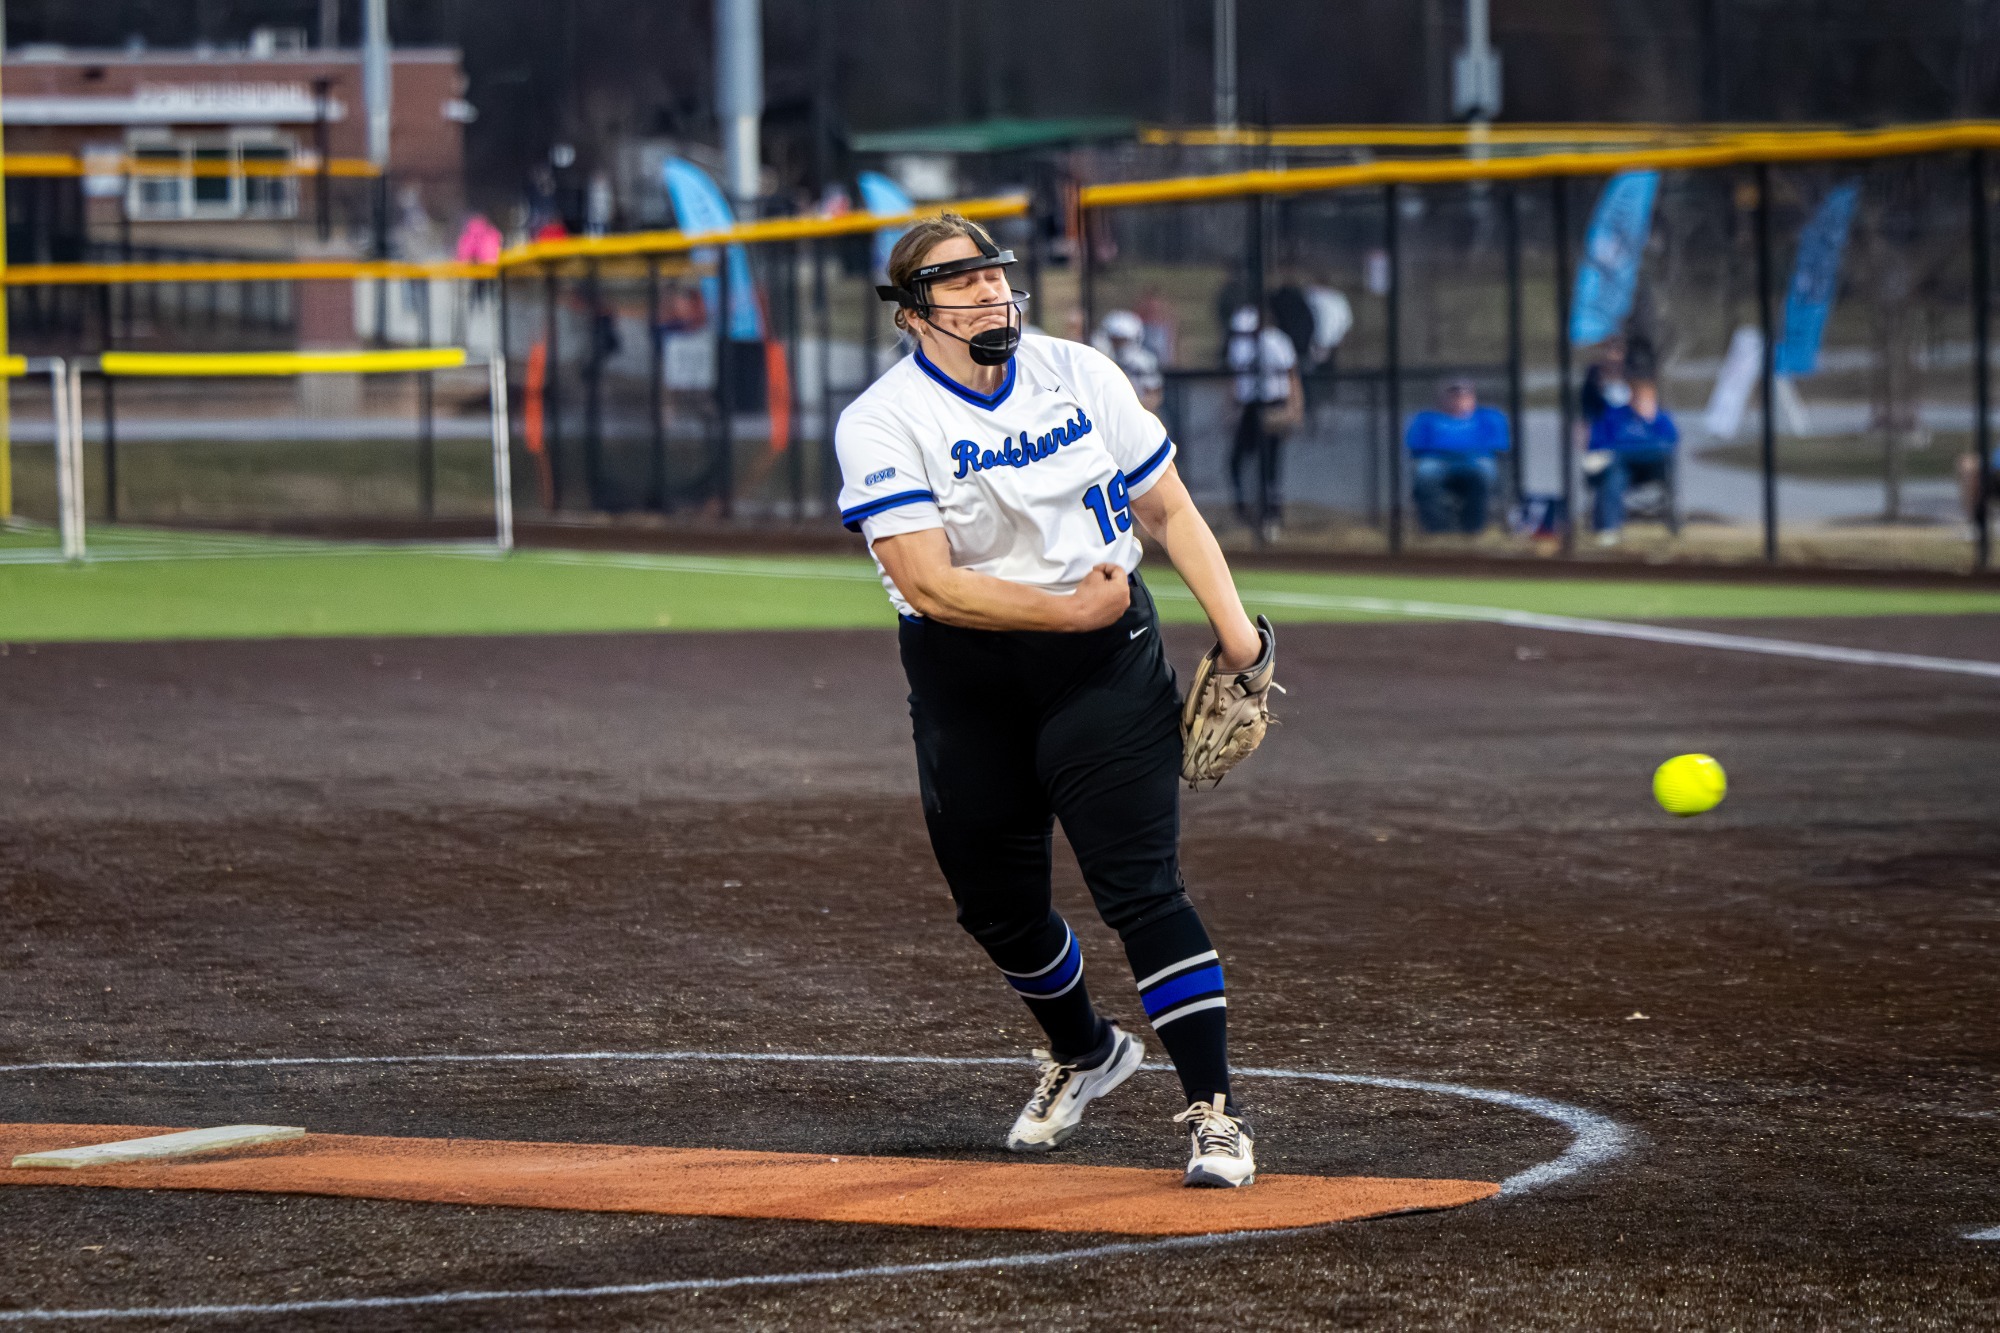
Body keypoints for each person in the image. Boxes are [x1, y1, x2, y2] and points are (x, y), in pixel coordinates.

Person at [836, 212, 1270, 1188]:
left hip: (1103, 660)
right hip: (968, 675)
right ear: (912, 313)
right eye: (959, 282)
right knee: (994, 908)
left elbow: (1165, 507)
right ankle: (1085, 1050)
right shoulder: (882, 420)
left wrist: (1239, 638)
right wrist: (1060, 610)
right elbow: (932, 580)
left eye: (993, 275)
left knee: (1139, 886)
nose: (989, 292)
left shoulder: (1076, 372)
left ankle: (1214, 1112)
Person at [1227, 304, 1302, 543]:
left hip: (1274, 403)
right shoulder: (1237, 346)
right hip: (1249, 407)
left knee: (1270, 462)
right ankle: (1244, 514)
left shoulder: (1276, 342)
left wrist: (1294, 407)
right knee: (1237, 461)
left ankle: (1272, 518)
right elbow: (1235, 380)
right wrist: (1231, 408)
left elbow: (1291, 375)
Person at [1405, 378, 1510, 534]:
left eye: (1464, 396)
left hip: (1475, 461)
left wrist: (1468, 451)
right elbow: (1414, 446)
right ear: (1442, 399)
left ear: (1473, 398)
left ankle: (1473, 530)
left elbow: (1500, 445)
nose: (1459, 400)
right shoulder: (1426, 419)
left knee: (1482, 476)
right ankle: (1439, 530)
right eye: (1453, 396)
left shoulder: (1489, 417)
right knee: (1425, 475)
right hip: (1438, 461)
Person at [1585, 370, 1678, 543]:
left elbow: (1670, 443)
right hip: (1622, 470)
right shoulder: (1616, 416)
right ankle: (1609, 529)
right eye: (1637, 397)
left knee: (1615, 462)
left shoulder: (1661, 419)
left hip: (1652, 468)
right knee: (1612, 475)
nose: (1640, 402)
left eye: (1646, 398)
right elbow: (1599, 443)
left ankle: (1609, 527)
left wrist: (1651, 419)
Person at [1093, 309, 1165, 412]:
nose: (1118, 345)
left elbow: (1154, 396)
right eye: (1115, 340)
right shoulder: (1100, 361)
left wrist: (1134, 410)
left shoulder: (1144, 362)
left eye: (1122, 340)